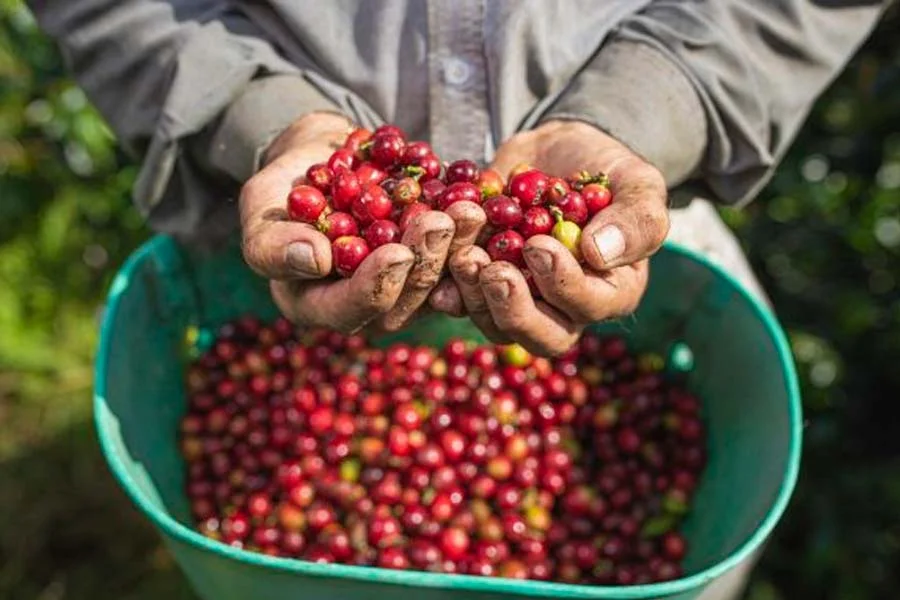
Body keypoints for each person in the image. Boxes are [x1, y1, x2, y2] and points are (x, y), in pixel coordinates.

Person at [30, 0, 889, 596]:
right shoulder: (336, 203)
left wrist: (651, 108)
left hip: (642, 213)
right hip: (265, 205)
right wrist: (257, 113)